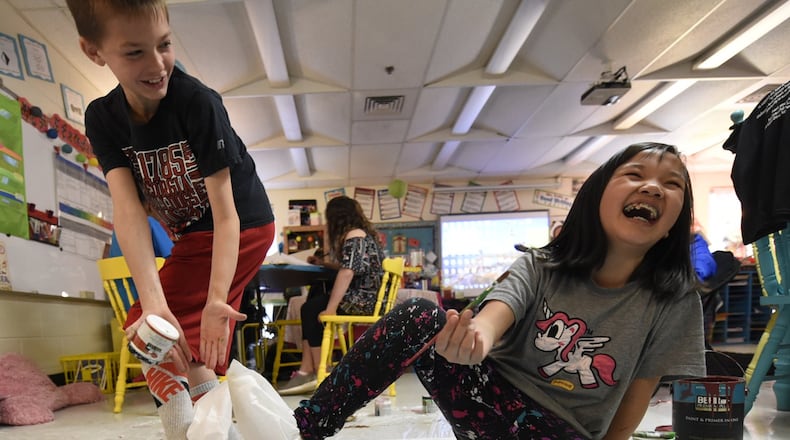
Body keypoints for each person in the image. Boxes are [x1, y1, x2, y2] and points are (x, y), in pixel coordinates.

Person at [293, 143, 706, 440]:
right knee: (420, 315)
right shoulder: (541, 264)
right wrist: (476, 339)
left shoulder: (675, 299)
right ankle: (304, 429)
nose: (653, 187)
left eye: (672, 185)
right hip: (488, 401)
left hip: (561, 433)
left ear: (673, 221)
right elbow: (496, 314)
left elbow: (636, 400)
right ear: (596, 196)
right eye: (635, 174)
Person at [65, 1, 276, 438]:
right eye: (134, 52)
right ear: (94, 51)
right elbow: (127, 210)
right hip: (192, 235)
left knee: (147, 328)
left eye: (164, 45)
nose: (157, 64)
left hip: (241, 225)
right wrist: (157, 303)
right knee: (168, 334)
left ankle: (185, 431)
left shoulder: (197, 102)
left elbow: (226, 212)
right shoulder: (103, 117)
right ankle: (212, 431)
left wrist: (217, 297)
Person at [277, 196, 385, 396]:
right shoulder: (363, 234)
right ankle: (307, 367)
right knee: (315, 296)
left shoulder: (355, 235)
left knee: (310, 308)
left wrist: (331, 308)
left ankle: (320, 371)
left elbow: (347, 272)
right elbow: (350, 267)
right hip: (366, 297)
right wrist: (323, 263)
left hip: (363, 301)